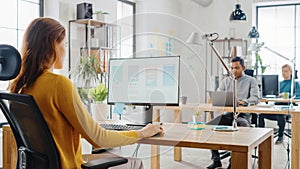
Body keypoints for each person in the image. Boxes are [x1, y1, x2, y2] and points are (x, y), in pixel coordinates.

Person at [9, 17, 163, 169]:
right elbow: (99, 138)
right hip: (69, 166)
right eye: (65, 44)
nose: (66, 49)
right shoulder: (58, 84)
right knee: (135, 163)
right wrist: (142, 133)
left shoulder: (18, 86)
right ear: (53, 45)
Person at [207, 57, 259, 169]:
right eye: (232, 68)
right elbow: (218, 94)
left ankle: (233, 162)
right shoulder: (226, 81)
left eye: (237, 68)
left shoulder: (251, 81)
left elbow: (255, 98)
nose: (234, 71)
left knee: (241, 126)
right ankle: (216, 160)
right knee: (209, 126)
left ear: (243, 68)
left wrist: (244, 101)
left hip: (243, 115)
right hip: (228, 114)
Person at [258, 64, 300, 144]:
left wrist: (286, 94)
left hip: (287, 107)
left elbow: (298, 96)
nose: (284, 73)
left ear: (291, 72)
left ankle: (280, 136)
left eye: (286, 71)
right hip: (276, 106)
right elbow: (275, 94)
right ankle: (261, 137)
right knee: (261, 115)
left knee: (281, 115)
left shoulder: (295, 84)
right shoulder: (279, 83)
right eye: (282, 71)